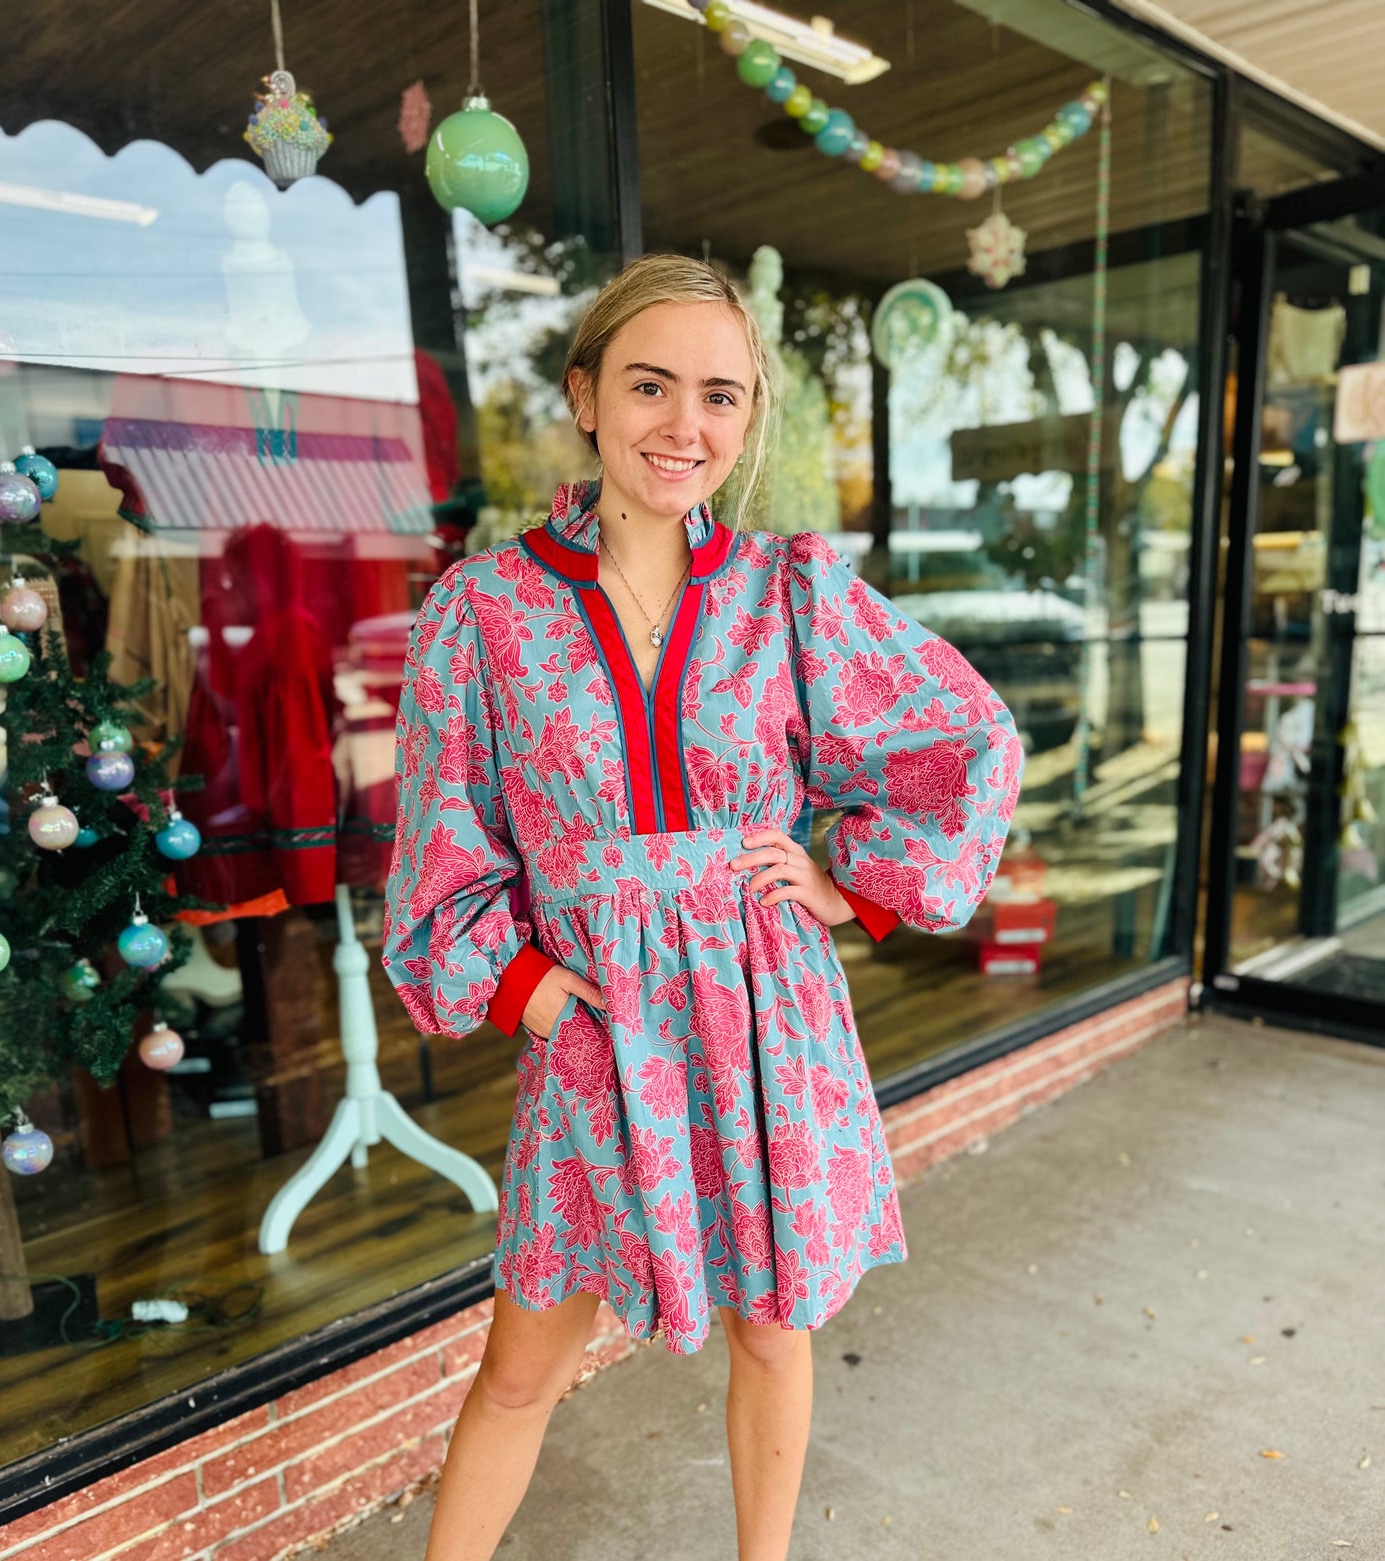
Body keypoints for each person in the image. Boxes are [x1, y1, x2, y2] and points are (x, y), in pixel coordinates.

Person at [382, 253, 1024, 1560]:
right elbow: (441, 835)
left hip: (759, 1015)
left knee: (770, 1325)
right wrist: (528, 987)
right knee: (520, 1361)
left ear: (746, 417)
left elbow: (958, 734)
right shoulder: (485, 612)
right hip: (595, 1026)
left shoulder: (787, 589)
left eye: (719, 396)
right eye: (650, 385)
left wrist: (851, 888)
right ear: (583, 396)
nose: (685, 425)